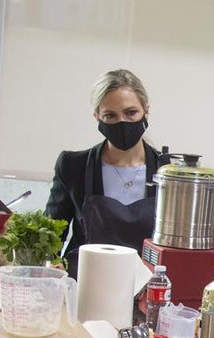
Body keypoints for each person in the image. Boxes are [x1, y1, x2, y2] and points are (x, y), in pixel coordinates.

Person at [45, 68, 164, 277]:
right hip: (82, 284)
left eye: (131, 113)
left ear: (146, 110)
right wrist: (50, 268)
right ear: (97, 117)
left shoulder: (167, 173)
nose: (122, 122)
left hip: (147, 290)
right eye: (110, 115)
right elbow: (51, 237)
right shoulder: (73, 166)